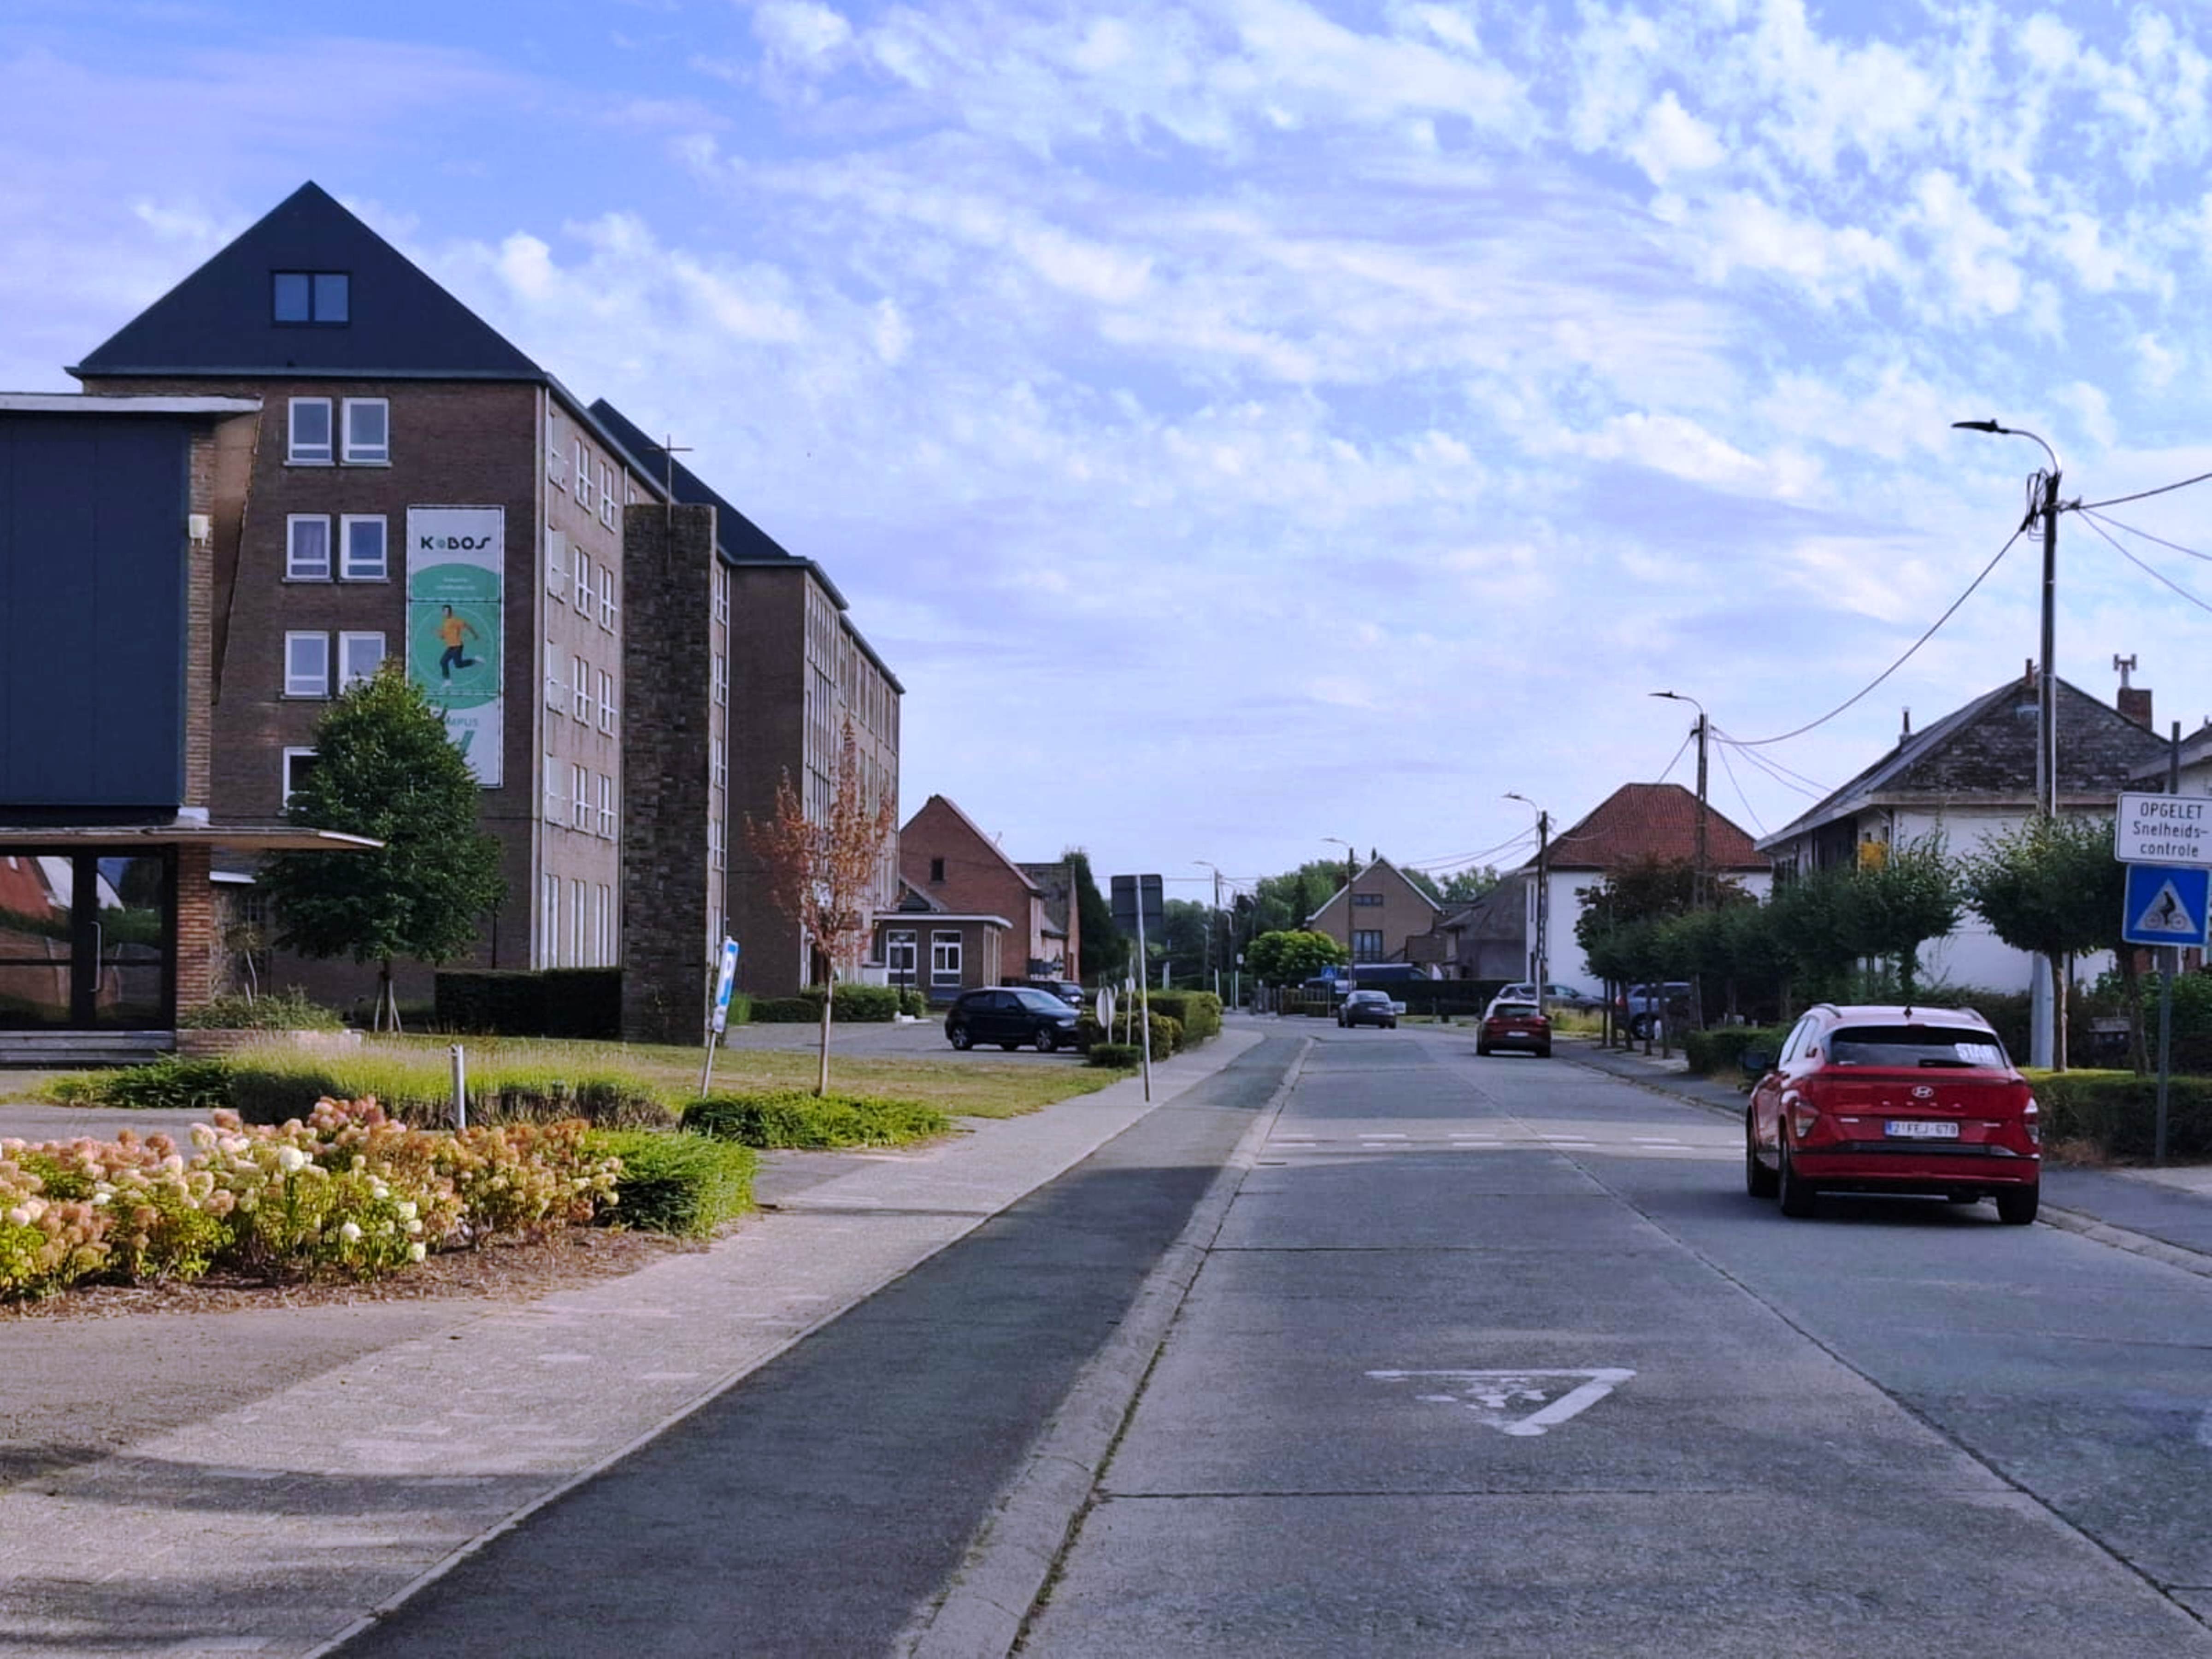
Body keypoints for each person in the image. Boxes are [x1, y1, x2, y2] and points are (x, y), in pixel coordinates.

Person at [435, 606, 479, 679]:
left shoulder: (455, 620)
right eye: (445, 612)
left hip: (457, 646)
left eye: (448, 611)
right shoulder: (445, 622)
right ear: (443, 613)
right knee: (443, 662)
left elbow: (468, 626)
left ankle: (475, 661)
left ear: (451, 612)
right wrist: (440, 634)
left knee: (458, 665)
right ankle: (447, 681)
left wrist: (475, 635)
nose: (447, 613)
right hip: (451, 646)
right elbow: (444, 636)